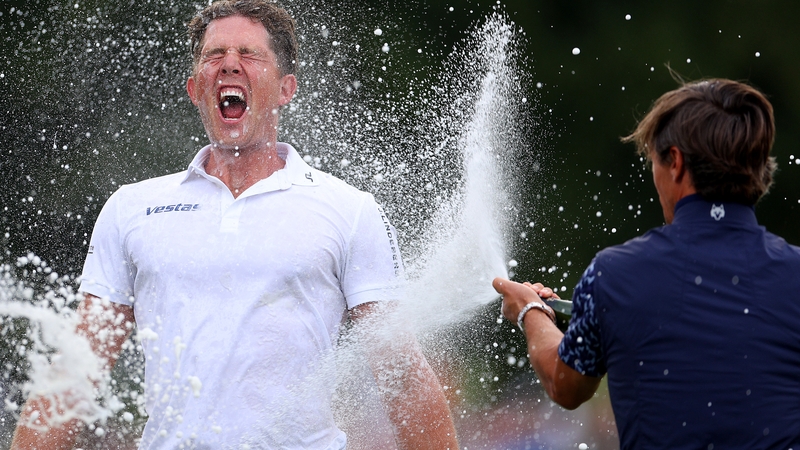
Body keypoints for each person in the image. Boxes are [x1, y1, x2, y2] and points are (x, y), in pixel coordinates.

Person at [11, 1, 458, 449]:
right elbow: (76, 370)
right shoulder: (132, 208)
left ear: (286, 88)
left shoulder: (348, 209)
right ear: (193, 88)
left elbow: (402, 374)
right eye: (214, 55)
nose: (229, 64)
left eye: (249, 54)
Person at [494, 79, 800, 448]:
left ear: (676, 163)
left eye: (654, 160)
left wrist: (529, 310)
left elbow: (565, 386)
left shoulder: (616, 275)